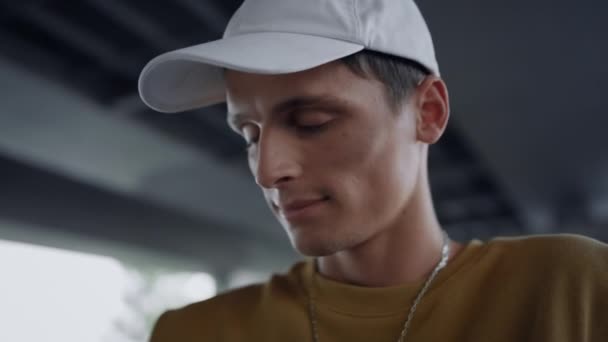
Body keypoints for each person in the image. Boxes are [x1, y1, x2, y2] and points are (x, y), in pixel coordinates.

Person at [138, 0, 608, 341]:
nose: (267, 171)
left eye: (311, 123)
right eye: (250, 134)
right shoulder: (197, 332)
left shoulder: (570, 290)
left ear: (428, 112)